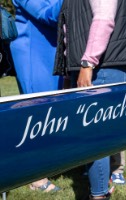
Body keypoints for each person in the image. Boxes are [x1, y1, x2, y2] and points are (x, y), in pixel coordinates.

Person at [54, 0, 126, 199]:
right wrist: (70, 70)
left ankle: (99, 194)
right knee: (96, 136)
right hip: (94, 64)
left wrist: (87, 62)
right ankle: (101, 188)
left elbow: (104, 18)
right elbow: (71, 29)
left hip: (101, 66)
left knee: (96, 136)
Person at [10, 0, 63, 192]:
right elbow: (47, 14)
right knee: (38, 112)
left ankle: (46, 165)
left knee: (52, 112)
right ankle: (36, 177)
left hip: (53, 51)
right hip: (33, 52)